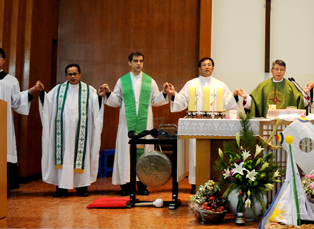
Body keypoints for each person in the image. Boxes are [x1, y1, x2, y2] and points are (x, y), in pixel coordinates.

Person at [164, 57, 238, 192]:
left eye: (209, 65)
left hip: (215, 124)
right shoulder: (191, 84)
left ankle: (215, 180)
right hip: (197, 123)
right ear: (199, 69)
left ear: (213, 68)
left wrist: (235, 95)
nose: (207, 67)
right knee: (195, 152)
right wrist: (174, 93)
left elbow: (228, 103)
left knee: (215, 151)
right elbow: (182, 102)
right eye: (204, 65)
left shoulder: (220, 85)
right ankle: (195, 182)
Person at [99, 52, 169, 196]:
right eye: (136, 61)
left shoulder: (150, 81)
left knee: (145, 152)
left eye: (141, 61)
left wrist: (164, 92)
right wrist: (108, 93)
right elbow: (117, 100)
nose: (139, 64)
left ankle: (143, 185)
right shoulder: (122, 81)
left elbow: (155, 100)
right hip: (127, 125)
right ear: (129, 62)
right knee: (126, 152)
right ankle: (126, 186)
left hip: (145, 125)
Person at [0, 46, 44, 192]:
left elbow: (17, 102)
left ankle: (3, 186)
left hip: (3, 123)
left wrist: (31, 91)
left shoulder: (11, 80)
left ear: (4, 59)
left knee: (4, 150)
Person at [39, 64, 103, 197]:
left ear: (79, 74)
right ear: (66, 75)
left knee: (81, 156)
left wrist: (100, 96)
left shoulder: (88, 90)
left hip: (82, 132)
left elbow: (96, 105)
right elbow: (47, 102)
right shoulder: (58, 90)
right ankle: (61, 188)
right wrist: (41, 92)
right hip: (61, 132)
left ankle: (82, 187)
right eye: (70, 74)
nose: (73, 76)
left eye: (75, 74)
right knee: (62, 156)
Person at [242, 59, 306, 118]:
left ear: (285, 71)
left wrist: (305, 93)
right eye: (276, 69)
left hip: (285, 123)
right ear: (272, 70)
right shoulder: (263, 86)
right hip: (267, 124)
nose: (279, 72)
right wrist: (246, 98)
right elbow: (254, 102)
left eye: (281, 70)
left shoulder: (291, 86)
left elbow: (300, 102)